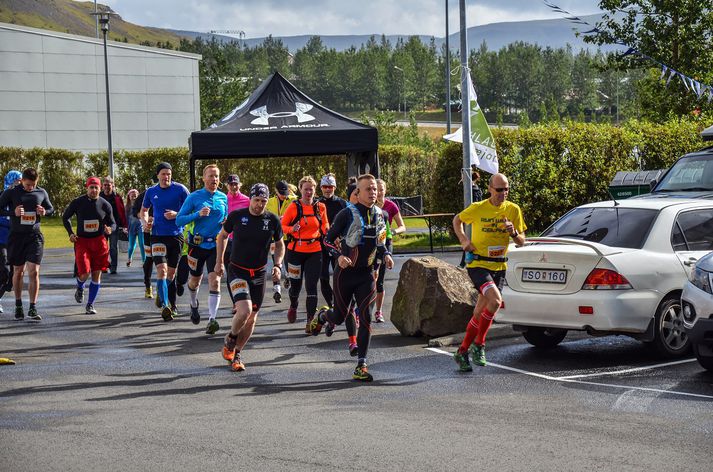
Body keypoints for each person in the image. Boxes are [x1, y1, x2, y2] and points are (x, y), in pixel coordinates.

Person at [310, 174, 393, 381]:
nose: (373, 193)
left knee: (365, 318)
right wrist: (338, 257)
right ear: (357, 192)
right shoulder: (346, 214)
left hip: (366, 275)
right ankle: (322, 316)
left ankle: (361, 365)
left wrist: (387, 255)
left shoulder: (380, 215)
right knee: (338, 316)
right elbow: (327, 241)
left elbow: (382, 243)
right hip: (344, 275)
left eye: (375, 189)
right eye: (368, 189)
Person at [451, 173, 526, 371]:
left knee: (479, 312)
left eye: (507, 189)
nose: (503, 193)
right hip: (478, 265)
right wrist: (464, 241)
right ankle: (480, 345)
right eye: (499, 189)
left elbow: (522, 241)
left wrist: (514, 233)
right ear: (490, 189)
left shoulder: (513, 210)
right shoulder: (477, 208)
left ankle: (461, 352)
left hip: (499, 266)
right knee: (495, 301)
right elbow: (457, 220)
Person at [215, 183, 284, 372]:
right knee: (243, 311)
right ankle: (231, 336)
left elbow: (280, 244)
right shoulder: (237, 216)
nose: (259, 205)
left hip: (259, 273)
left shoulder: (272, 220)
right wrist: (219, 262)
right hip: (237, 270)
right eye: (256, 200)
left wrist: (277, 265)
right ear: (250, 199)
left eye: (263, 201)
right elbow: (221, 237)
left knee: (252, 317)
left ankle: (236, 352)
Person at [176, 164, 228, 334]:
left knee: (215, 281)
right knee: (195, 281)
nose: (214, 179)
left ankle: (212, 319)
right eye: (211, 176)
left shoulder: (223, 197)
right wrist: (197, 214)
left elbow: (225, 218)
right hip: (197, 245)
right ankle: (193, 304)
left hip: (215, 245)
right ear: (203, 178)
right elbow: (179, 220)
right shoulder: (194, 197)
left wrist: (225, 222)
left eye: (217, 176)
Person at [0, 168, 54, 321]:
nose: (30, 187)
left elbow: (51, 208)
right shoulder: (12, 192)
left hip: (34, 236)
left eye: (33, 185)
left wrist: (45, 211)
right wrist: (13, 213)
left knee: (34, 271)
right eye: (28, 184)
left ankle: (32, 307)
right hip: (17, 237)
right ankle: (18, 305)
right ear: (22, 180)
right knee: (18, 272)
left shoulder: (41, 192)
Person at [139, 162, 189, 321]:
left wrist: (177, 214)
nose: (166, 176)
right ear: (158, 175)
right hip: (157, 236)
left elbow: (191, 208)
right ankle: (167, 306)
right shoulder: (151, 191)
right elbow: (144, 210)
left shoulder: (180, 189)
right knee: (162, 270)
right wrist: (145, 222)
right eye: (163, 174)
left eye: (168, 173)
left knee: (171, 274)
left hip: (176, 236)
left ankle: (165, 297)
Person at [281, 176, 328, 332]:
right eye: (306, 189)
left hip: (315, 250)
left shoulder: (320, 207)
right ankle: (293, 304)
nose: (309, 192)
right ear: (300, 190)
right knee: (295, 287)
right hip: (295, 252)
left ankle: (310, 320)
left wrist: (328, 231)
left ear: (315, 189)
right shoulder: (294, 207)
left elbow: (325, 224)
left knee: (311, 287)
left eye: (311, 189)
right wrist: (291, 229)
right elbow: (282, 226)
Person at [62, 177, 116, 314]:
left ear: (100, 188)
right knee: (85, 272)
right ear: (87, 188)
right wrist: (70, 233)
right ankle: (80, 286)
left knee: (96, 274)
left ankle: (90, 304)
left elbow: (113, 223)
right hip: (82, 242)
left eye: (96, 187)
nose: (94, 190)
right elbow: (65, 217)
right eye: (91, 187)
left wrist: (110, 229)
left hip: (99, 242)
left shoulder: (105, 204)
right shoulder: (78, 202)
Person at [374, 178, 406, 323]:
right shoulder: (368, 204)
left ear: (385, 190)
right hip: (371, 243)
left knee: (379, 279)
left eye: (382, 190)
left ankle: (378, 311)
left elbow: (403, 226)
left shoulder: (391, 206)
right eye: (376, 189)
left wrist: (393, 231)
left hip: (386, 242)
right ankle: (361, 311)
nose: (379, 193)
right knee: (370, 278)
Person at [317, 173, 346, 308]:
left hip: (337, 244)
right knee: (323, 277)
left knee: (338, 277)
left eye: (330, 187)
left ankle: (338, 302)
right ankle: (331, 304)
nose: (328, 189)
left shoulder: (341, 203)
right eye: (325, 187)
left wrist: (340, 237)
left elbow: (348, 223)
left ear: (335, 187)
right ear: (321, 187)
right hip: (321, 245)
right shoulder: (317, 203)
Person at [266, 180, 297, 302]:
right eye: (281, 193)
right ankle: (276, 289)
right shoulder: (270, 202)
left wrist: (286, 219)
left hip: (289, 237)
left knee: (288, 261)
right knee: (276, 264)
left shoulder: (294, 200)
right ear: (276, 191)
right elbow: (265, 216)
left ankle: (288, 276)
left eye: (285, 192)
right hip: (275, 238)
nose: (284, 195)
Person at [223, 174, 250, 303]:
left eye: (235, 184)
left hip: (243, 242)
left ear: (240, 185)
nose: (233, 186)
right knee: (230, 273)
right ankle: (236, 302)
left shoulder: (247, 200)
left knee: (245, 271)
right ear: (227, 186)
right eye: (231, 184)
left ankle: (247, 298)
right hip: (227, 241)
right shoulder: (223, 200)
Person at [0, 170, 21, 314]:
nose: (19, 184)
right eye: (17, 181)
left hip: (15, 239)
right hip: (1, 238)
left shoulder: (20, 197)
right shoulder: (1, 196)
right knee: (5, 271)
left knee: (14, 276)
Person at [101, 176, 127, 274]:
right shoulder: (99, 196)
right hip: (101, 226)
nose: (107, 187)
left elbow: (121, 211)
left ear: (113, 185)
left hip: (113, 226)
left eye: (109, 185)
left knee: (113, 247)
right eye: (105, 185)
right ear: (102, 186)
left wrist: (124, 224)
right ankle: (104, 266)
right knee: (102, 248)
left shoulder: (117, 197)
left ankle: (113, 267)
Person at [133, 184, 155, 299]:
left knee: (165, 260)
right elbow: (135, 211)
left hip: (165, 232)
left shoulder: (171, 192)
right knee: (149, 258)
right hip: (148, 231)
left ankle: (164, 287)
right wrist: (144, 220)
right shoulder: (145, 194)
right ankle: (148, 285)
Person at [125, 189, 145, 267]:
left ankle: (144, 261)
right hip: (131, 228)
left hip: (140, 227)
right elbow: (125, 218)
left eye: (135, 195)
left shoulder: (141, 205)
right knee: (131, 246)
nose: (134, 197)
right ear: (129, 197)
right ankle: (129, 259)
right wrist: (125, 227)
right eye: (132, 195)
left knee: (142, 244)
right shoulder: (127, 207)